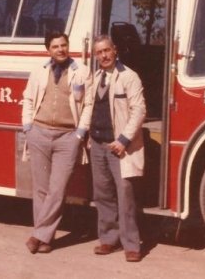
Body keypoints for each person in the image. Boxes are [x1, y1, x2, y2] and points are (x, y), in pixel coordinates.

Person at [77, 35, 146, 262]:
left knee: (125, 195)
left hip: (120, 146)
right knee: (103, 194)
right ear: (95, 55)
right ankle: (108, 240)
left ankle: (131, 244)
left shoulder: (129, 76)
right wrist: (83, 133)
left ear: (115, 50)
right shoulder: (95, 78)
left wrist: (124, 140)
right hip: (97, 144)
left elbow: (139, 111)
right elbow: (89, 106)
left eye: (107, 50)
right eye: (99, 52)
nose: (104, 56)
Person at [21, 31, 88, 254]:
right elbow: (28, 98)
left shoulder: (81, 72)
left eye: (63, 45)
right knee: (40, 189)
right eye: (55, 46)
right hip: (39, 133)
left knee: (57, 190)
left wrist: (80, 132)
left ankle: (37, 235)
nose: (60, 49)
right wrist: (28, 127)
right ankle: (46, 238)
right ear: (48, 50)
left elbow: (87, 104)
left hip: (67, 137)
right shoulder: (39, 71)